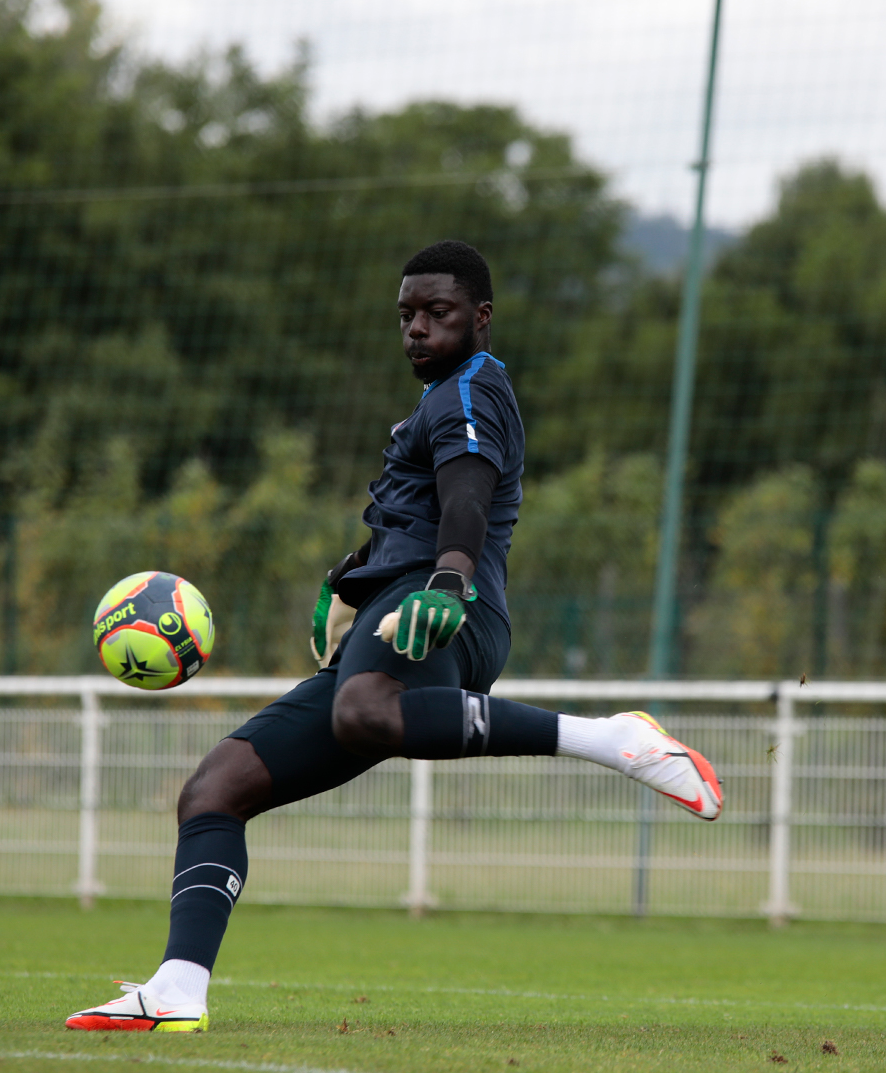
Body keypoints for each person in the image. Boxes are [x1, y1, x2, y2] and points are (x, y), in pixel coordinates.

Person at [65, 240, 723, 1033]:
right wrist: (351, 578)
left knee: (363, 712)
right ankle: (176, 988)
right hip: (405, 605)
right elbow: (413, 511)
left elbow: (467, 496)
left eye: (437, 313)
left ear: (481, 318)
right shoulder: (440, 396)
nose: (417, 328)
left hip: (446, 609)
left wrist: (447, 576)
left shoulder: (473, 391)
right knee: (216, 790)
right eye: (407, 315)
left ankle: (611, 738)